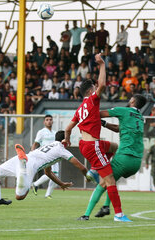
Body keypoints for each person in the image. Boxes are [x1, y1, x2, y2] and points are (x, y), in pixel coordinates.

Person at [63, 53, 131, 222]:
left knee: (114, 147)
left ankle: (94, 169)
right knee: (110, 180)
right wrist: (101, 64)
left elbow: (68, 127)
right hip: (93, 147)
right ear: (91, 90)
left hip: (86, 145)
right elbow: (102, 84)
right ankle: (119, 215)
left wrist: (67, 139)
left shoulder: (80, 109)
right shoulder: (92, 100)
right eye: (94, 88)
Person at [0, 131, 94, 206]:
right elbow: (79, 165)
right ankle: (22, 170)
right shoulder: (62, 149)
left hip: (22, 158)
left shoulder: (49, 145)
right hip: (29, 166)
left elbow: (48, 171)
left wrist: (61, 184)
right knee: (19, 197)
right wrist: (88, 176)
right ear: (63, 140)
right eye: (67, 139)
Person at [78, 94, 147, 220]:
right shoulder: (141, 118)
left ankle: (86, 214)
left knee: (104, 183)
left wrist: (82, 112)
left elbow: (97, 114)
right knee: (112, 181)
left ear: (132, 100)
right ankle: (106, 206)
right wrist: (104, 124)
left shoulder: (123, 110)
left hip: (124, 157)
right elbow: (117, 128)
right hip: (136, 161)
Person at [31, 115, 59, 199]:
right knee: (51, 174)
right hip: (45, 156)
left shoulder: (55, 133)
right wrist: (32, 153)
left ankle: (47, 194)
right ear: (44, 122)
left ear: (52, 121)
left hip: (55, 156)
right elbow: (35, 143)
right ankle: (35, 184)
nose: (49, 121)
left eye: (50, 120)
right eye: (47, 120)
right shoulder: (41, 132)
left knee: (56, 176)